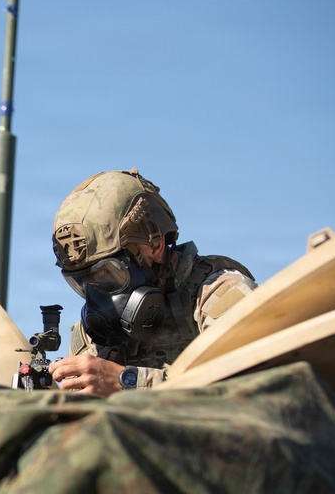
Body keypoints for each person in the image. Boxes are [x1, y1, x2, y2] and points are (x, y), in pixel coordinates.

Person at [47, 169, 256, 396]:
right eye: (83, 282)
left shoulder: (220, 295)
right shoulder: (91, 335)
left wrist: (127, 381)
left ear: (155, 246)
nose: (97, 295)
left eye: (108, 275)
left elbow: (252, 389)